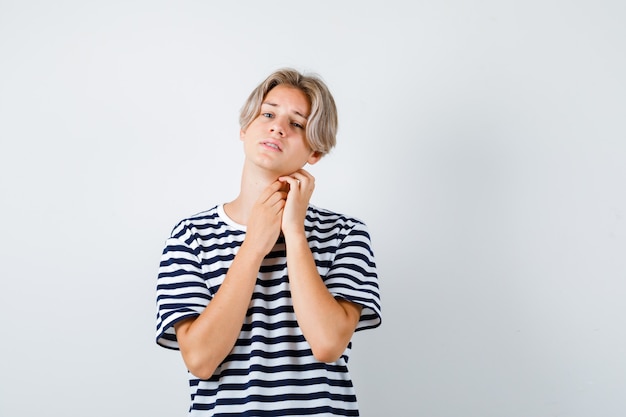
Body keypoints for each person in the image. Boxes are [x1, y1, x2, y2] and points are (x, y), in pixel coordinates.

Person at [156, 68, 382, 416]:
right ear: (244, 129)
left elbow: (327, 344)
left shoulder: (346, 234)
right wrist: (253, 247)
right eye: (268, 114)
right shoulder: (190, 236)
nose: (278, 127)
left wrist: (294, 231)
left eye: (297, 123)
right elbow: (200, 360)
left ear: (315, 152)